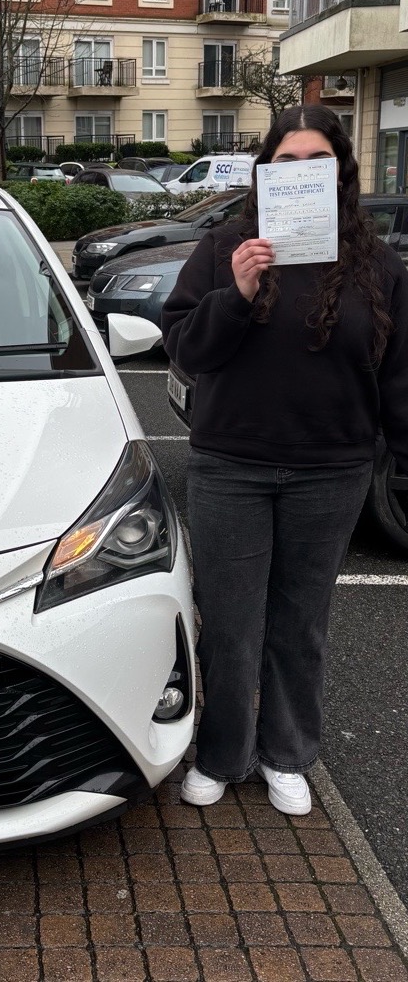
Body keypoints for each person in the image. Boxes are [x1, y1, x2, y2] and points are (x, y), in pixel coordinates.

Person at [161, 105, 408, 815]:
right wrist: (234, 293)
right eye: (288, 162)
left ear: (339, 172)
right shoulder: (225, 247)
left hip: (331, 470)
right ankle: (223, 753)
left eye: (317, 162)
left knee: (300, 625)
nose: (302, 173)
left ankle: (288, 752)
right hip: (231, 464)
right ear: (268, 172)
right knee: (231, 624)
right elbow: (185, 350)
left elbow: (400, 376)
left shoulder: (377, 264)